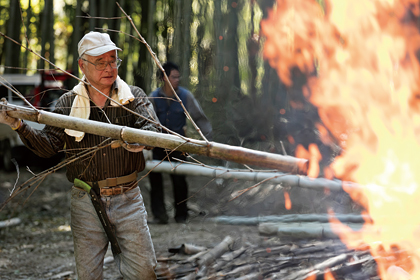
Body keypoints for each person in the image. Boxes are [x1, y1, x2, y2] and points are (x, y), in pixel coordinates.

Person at [0, 32, 160, 280]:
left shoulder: (132, 97)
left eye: (113, 60)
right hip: (85, 198)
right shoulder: (68, 103)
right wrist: (19, 126)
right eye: (101, 62)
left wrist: (136, 138)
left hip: (128, 196)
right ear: (82, 65)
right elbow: (49, 147)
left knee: (144, 271)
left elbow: (152, 129)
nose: (109, 68)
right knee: (88, 275)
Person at [148, 62, 212, 224]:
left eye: (178, 77)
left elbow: (199, 118)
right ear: (164, 78)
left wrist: (206, 141)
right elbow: (147, 122)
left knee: (180, 181)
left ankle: (181, 215)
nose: (177, 80)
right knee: (155, 181)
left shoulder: (185, 96)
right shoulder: (153, 98)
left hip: (178, 145)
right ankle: (159, 216)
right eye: (173, 77)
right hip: (157, 144)